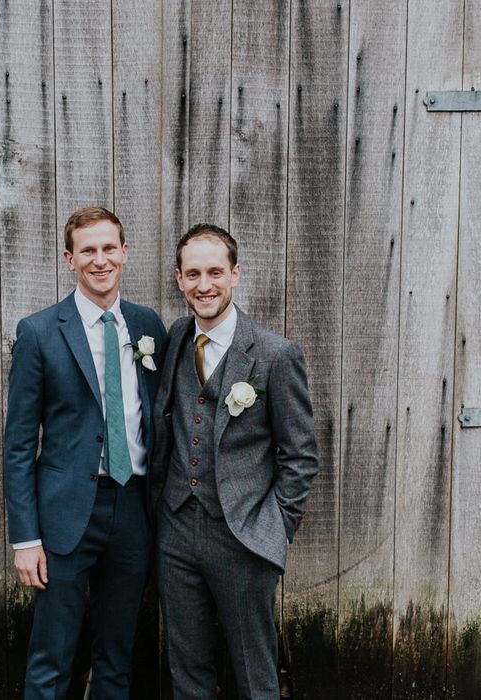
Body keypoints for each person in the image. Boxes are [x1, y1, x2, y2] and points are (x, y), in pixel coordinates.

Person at [4, 207, 167, 699]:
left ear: (125, 253)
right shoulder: (38, 331)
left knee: (118, 655)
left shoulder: (147, 324)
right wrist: (25, 539)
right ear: (69, 258)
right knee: (52, 655)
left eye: (109, 248)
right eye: (88, 251)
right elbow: (17, 445)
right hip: (66, 513)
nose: (100, 260)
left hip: (133, 507)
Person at [151, 223, 318, 699]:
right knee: (188, 672)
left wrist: (273, 527)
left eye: (215, 273)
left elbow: (301, 454)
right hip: (177, 530)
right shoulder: (176, 338)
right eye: (194, 274)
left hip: (242, 534)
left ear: (236, 274)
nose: (205, 285)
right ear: (179, 279)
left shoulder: (275, 355)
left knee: (254, 672)